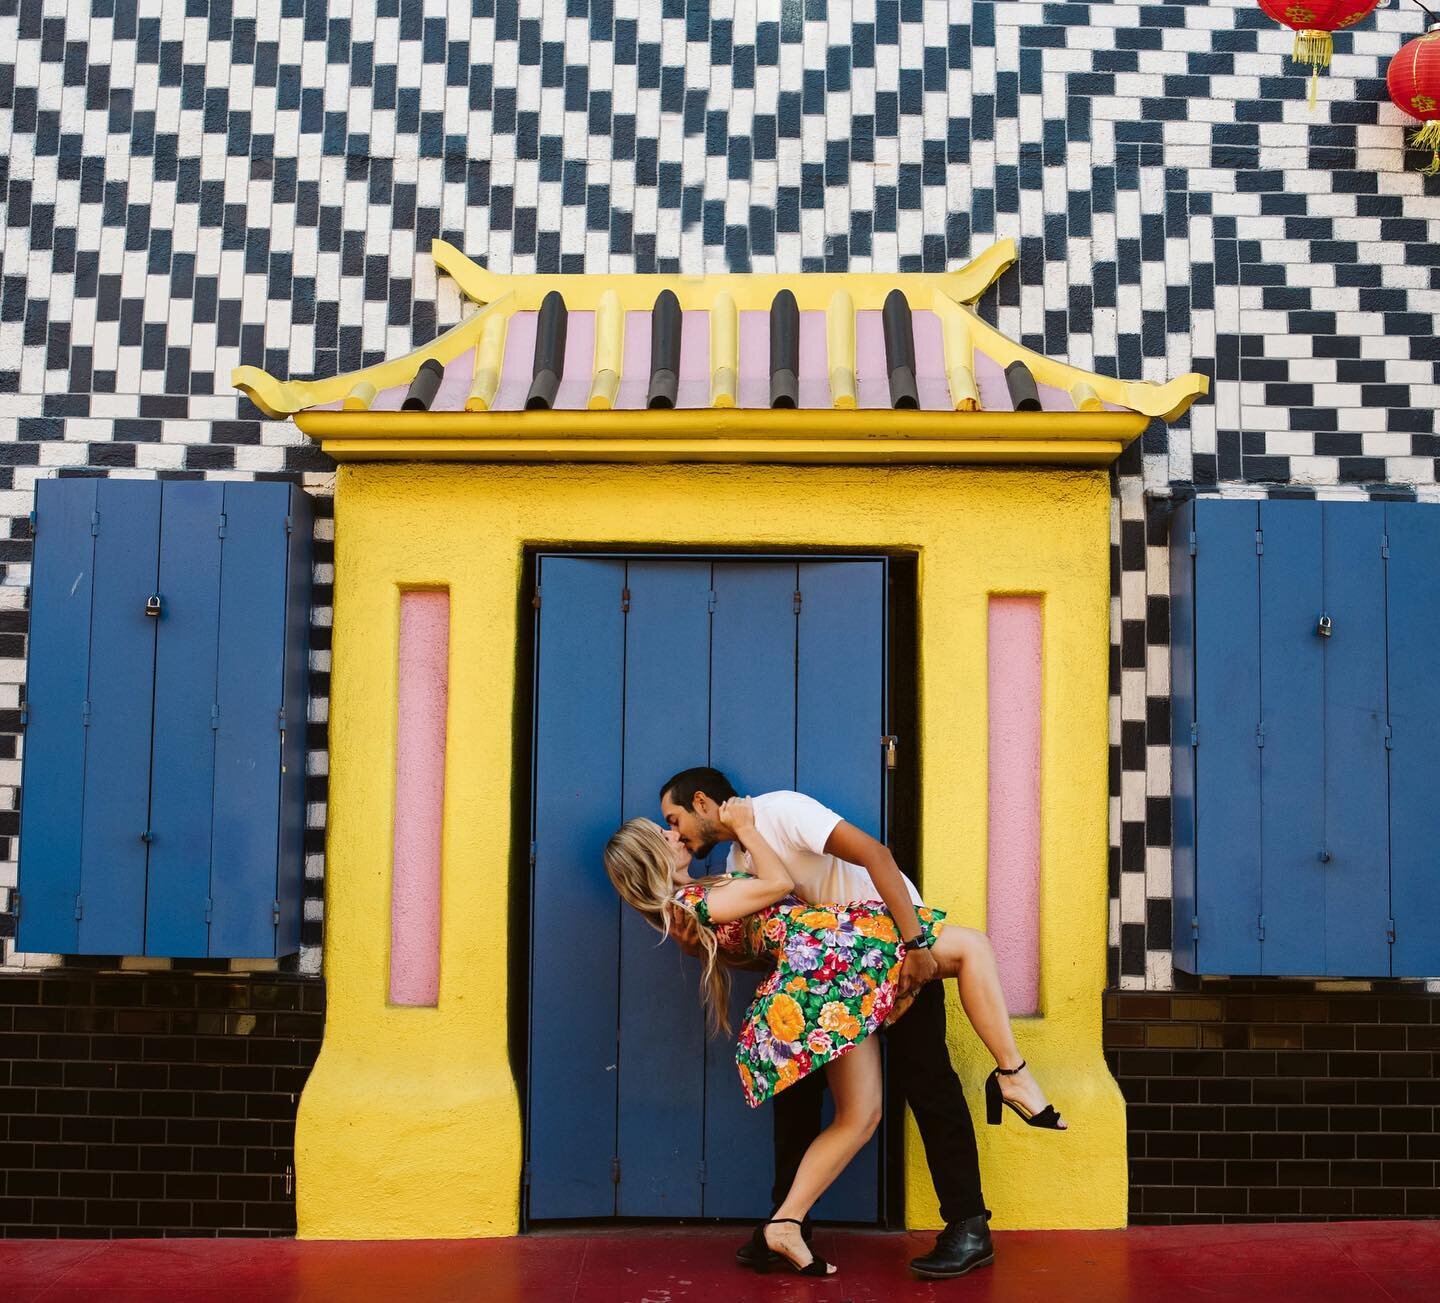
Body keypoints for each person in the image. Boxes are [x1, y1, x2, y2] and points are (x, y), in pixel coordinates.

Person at [604, 771, 1064, 1279]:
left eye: (674, 821)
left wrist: (913, 946)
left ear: (700, 802)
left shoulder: (778, 816)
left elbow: (871, 858)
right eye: (665, 831)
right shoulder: (711, 887)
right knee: (968, 955)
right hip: (836, 965)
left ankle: (963, 1223)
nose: (676, 833)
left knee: (908, 1093)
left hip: (877, 941)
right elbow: (768, 907)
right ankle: (1010, 1075)